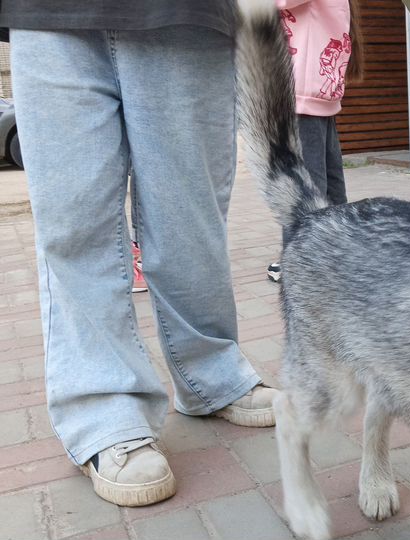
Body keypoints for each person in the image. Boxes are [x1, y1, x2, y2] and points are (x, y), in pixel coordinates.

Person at [0, 1, 277, 507]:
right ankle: (103, 409)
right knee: (74, 222)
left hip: (189, 13)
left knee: (190, 219)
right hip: (47, 12)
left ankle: (212, 374)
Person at [267, 0, 363, 282]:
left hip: (302, 96)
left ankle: (302, 268)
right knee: (331, 187)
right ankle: (337, 258)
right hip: (321, 94)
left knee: (305, 191)